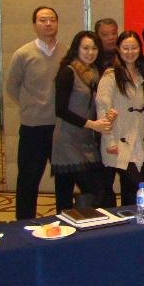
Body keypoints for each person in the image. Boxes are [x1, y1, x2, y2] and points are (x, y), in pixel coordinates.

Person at [6, 6, 68, 220]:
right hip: (33, 127)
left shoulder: (67, 52)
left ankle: (64, 220)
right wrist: (31, 106)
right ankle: (23, 223)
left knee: (64, 178)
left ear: (57, 23)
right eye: (43, 20)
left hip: (60, 126)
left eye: (52, 19)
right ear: (34, 25)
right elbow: (11, 87)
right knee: (28, 179)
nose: (48, 23)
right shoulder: (23, 54)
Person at [52, 31, 112, 213]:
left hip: (86, 139)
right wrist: (92, 124)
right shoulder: (68, 71)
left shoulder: (96, 72)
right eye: (85, 48)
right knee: (75, 191)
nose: (90, 52)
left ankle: (80, 222)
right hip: (67, 139)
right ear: (76, 49)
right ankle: (66, 225)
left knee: (99, 190)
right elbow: (60, 110)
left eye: (94, 48)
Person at [96, 31, 144, 206]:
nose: (130, 52)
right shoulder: (110, 75)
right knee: (137, 186)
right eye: (125, 48)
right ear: (118, 49)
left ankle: (135, 221)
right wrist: (109, 141)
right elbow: (103, 109)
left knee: (140, 190)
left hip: (141, 141)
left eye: (134, 48)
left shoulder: (143, 73)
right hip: (119, 140)